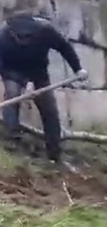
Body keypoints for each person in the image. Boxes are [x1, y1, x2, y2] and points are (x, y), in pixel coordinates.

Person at [0, 10, 88, 163]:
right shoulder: (3, 35)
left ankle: (54, 152)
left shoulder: (45, 30)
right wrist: (21, 82)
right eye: (19, 37)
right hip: (12, 71)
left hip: (39, 73)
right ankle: (13, 144)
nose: (23, 40)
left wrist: (78, 69)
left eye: (28, 37)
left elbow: (64, 47)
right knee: (11, 97)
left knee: (49, 109)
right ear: (12, 32)